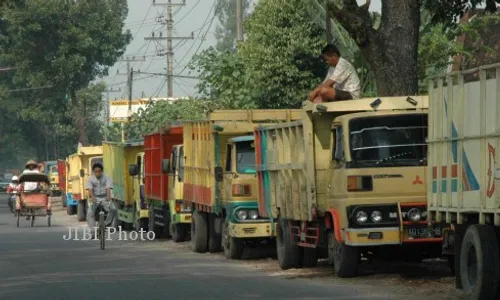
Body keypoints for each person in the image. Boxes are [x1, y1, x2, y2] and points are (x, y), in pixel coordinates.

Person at [86, 163, 116, 236]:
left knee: (113, 209)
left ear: (102, 171)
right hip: (95, 198)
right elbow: (90, 189)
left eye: (99, 171)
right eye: (96, 172)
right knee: (90, 213)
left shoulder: (106, 177)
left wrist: (108, 196)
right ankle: (93, 232)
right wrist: (93, 197)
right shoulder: (90, 179)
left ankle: (106, 224)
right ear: (93, 172)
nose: (98, 173)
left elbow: (108, 188)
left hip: (105, 198)